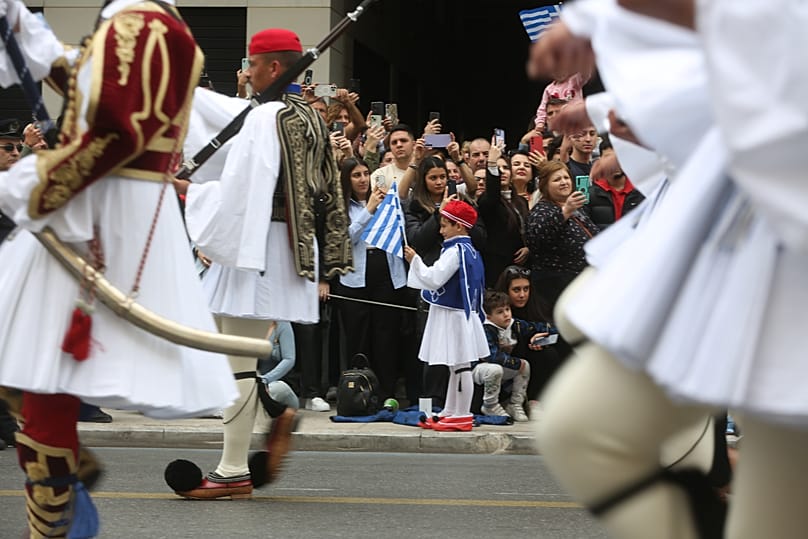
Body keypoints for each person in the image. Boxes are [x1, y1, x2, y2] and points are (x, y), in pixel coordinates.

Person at [531, 1, 808, 538]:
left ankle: (702, 447)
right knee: (580, 426)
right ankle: (701, 447)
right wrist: (616, 111)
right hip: (748, 230)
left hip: (778, 237)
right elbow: (725, 76)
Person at [0, 0, 239, 535]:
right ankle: (62, 479)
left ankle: (53, 510)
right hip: (113, 202)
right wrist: (28, 37)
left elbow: (114, 129)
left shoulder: (137, 24)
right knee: (27, 362)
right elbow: (95, 86)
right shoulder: (152, 24)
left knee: (40, 372)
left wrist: (36, 187)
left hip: (100, 204)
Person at [170, 27, 352, 500]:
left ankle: (232, 470)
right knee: (230, 353)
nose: (246, 73)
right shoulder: (302, 116)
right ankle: (273, 411)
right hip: (278, 246)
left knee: (234, 359)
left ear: (273, 67)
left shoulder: (266, 117)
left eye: (252, 65)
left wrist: (192, 199)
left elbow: (241, 189)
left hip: (258, 246)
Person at [404, 199, 488, 432]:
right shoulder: (469, 250)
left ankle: (462, 413)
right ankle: (451, 410)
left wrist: (415, 261)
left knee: (460, 365)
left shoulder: (456, 252)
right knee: (456, 365)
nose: (441, 231)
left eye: (445, 225)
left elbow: (434, 278)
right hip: (459, 313)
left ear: (459, 226)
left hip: (455, 315)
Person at [335, 158, 410, 401]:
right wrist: (368, 210)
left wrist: (384, 205)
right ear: (347, 179)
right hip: (356, 276)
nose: (363, 179)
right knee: (358, 337)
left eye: (366, 173)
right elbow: (343, 239)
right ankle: (357, 393)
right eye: (356, 175)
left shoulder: (388, 201)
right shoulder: (341, 206)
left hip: (386, 271)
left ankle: (387, 393)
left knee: (386, 336)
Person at [525, 160, 598, 313]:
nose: (564, 182)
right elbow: (537, 238)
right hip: (556, 284)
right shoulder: (543, 209)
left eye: (566, 178)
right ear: (545, 185)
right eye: (557, 179)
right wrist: (565, 212)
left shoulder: (576, 208)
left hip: (581, 281)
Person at [476, 291, 555, 421]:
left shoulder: (514, 325)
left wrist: (545, 333)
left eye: (507, 309)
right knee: (496, 369)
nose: (506, 314)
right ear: (489, 316)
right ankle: (490, 405)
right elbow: (491, 356)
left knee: (525, 366)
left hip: (502, 368)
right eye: (500, 312)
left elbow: (539, 327)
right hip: (479, 369)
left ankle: (515, 404)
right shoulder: (485, 329)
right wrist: (516, 363)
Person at [493, 265, 566, 402]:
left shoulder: (537, 305)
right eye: (516, 290)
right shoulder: (496, 310)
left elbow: (555, 328)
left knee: (553, 351)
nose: (522, 295)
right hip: (506, 362)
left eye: (526, 289)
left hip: (533, 361)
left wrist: (542, 338)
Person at [476, 141, 529, 287]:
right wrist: (491, 162)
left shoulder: (522, 201)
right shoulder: (487, 199)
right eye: (497, 168)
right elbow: (493, 194)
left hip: (521, 268)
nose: (502, 171)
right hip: (497, 269)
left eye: (506, 168)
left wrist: (527, 248)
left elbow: (527, 229)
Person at [583, 151, 645, 229]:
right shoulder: (590, 194)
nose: (614, 165)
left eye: (618, 158)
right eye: (607, 158)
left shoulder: (642, 190)